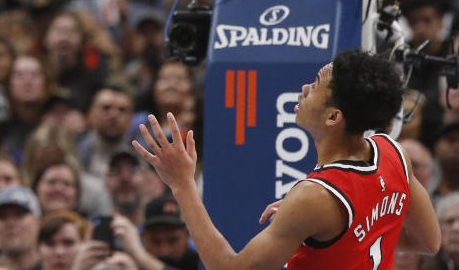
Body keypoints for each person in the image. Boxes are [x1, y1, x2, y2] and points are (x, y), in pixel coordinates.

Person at [133, 49, 441, 269]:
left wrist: (182, 184)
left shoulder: (315, 197)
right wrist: (328, 229)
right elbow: (429, 242)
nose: (305, 88)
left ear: (334, 116)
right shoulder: (393, 153)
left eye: (316, 85)